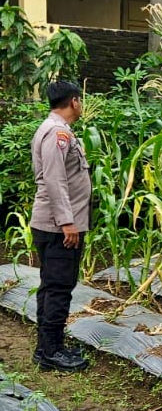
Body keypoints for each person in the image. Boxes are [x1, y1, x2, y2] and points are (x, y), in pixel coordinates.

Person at [29, 81, 91, 372]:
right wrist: (68, 222)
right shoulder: (57, 133)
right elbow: (55, 181)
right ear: (74, 102)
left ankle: (47, 347)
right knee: (58, 288)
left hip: (54, 225)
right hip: (58, 228)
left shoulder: (54, 129)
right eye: (81, 100)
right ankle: (51, 352)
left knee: (52, 286)